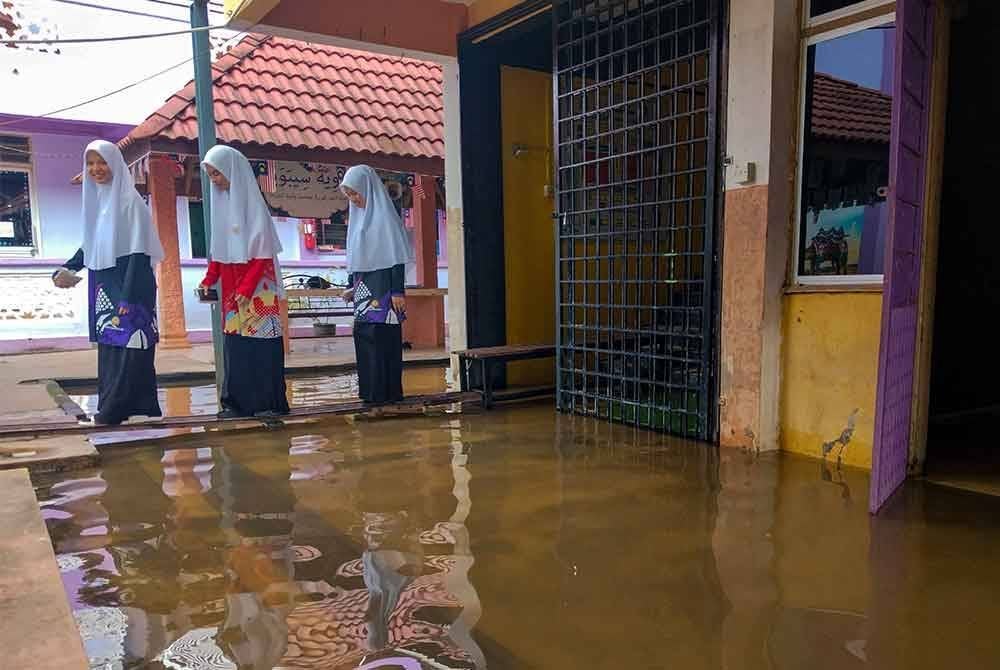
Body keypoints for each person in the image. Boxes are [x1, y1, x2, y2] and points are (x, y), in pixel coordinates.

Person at [53, 140, 164, 425]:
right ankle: (120, 407)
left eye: (101, 162)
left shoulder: (131, 203)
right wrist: (67, 268)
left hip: (131, 284)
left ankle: (112, 411)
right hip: (104, 284)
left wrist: (128, 298)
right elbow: (89, 246)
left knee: (131, 348)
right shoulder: (99, 203)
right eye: (90, 163)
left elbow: (139, 255)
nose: (95, 169)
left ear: (115, 164)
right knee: (112, 350)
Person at [198, 145, 289, 418]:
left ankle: (266, 404)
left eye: (218, 173)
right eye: (211, 175)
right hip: (231, 292)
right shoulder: (221, 209)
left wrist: (247, 289)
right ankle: (236, 404)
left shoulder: (254, 207)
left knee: (261, 348)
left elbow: (263, 254)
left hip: (258, 290)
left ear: (233, 171)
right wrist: (209, 278)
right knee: (235, 348)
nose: (215, 180)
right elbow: (220, 250)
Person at [340, 166, 414, 404]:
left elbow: (396, 259)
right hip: (364, 295)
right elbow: (357, 261)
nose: (354, 199)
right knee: (364, 339)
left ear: (368, 189)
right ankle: (370, 394)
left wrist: (397, 291)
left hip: (385, 294)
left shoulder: (386, 221)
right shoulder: (357, 223)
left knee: (384, 342)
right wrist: (352, 287)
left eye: (356, 193)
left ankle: (388, 394)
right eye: (349, 194)